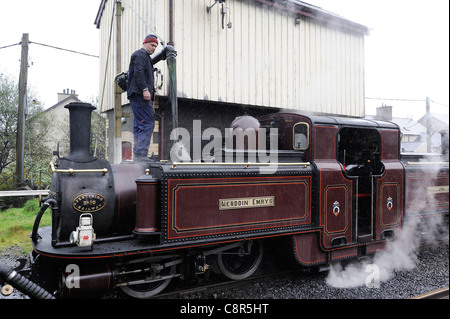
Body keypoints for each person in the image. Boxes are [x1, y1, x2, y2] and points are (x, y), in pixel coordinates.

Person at [127, 34, 159, 161]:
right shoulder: (140, 55)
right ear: (145, 43)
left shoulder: (143, 57)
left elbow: (141, 75)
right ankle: (141, 155)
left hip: (137, 95)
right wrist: (146, 90)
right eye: (152, 45)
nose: (154, 48)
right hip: (140, 96)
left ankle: (138, 155)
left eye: (155, 46)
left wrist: (151, 87)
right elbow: (138, 73)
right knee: (148, 123)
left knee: (139, 124)